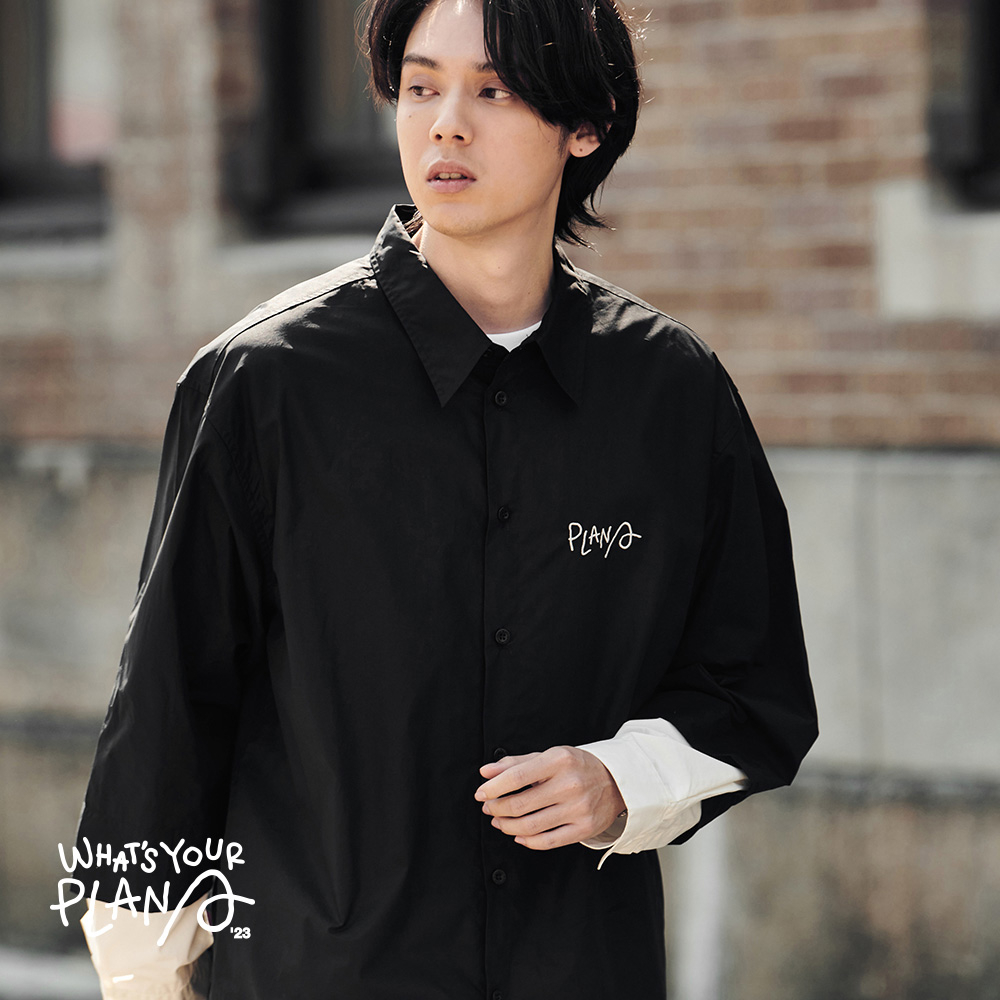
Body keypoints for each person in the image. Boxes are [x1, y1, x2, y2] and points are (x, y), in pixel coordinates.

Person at [73, 0, 818, 997]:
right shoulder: (264, 383)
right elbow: (165, 714)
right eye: (420, 87)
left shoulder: (671, 394)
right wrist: (144, 979)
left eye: (493, 91)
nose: (445, 126)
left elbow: (752, 688)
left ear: (586, 122)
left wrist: (621, 780)